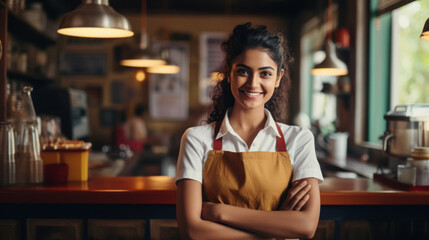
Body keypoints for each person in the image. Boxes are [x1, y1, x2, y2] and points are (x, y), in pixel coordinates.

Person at [175, 22, 324, 240]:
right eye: (243, 71)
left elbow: (307, 226)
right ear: (228, 73)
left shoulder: (299, 139)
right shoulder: (196, 139)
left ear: (278, 78)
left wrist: (219, 212)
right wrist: (275, 228)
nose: (253, 83)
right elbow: (192, 230)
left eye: (265, 74)